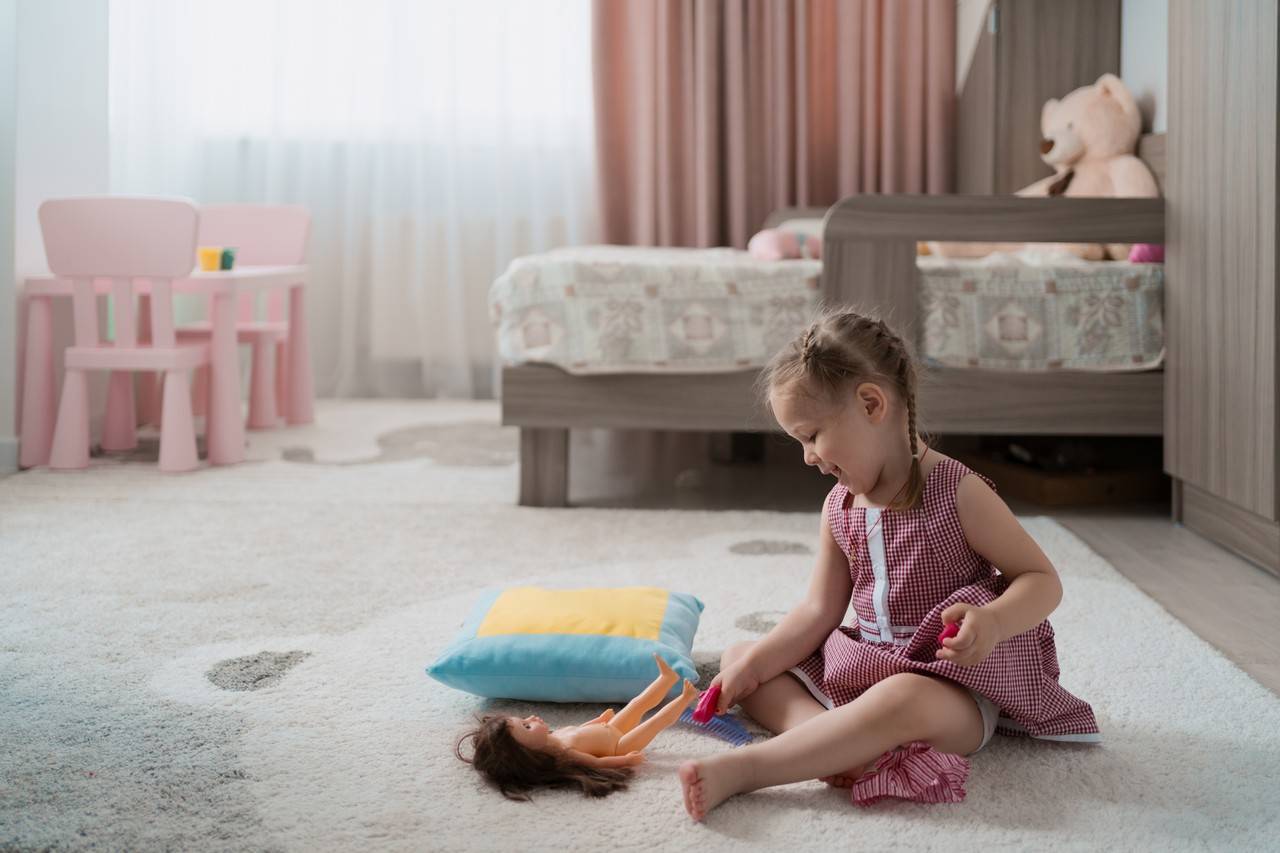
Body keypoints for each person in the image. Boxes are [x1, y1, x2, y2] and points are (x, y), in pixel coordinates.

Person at [678, 310, 1099, 821]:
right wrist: (754, 666)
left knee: (903, 697)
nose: (808, 458)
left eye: (811, 436)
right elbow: (818, 611)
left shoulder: (955, 490)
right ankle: (845, 743)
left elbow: (1042, 580)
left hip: (951, 687)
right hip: (868, 668)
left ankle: (752, 770)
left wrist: (992, 621)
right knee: (743, 656)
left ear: (871, 403)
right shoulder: (840, 506)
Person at [457, 653, 697, 800]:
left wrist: (598, 721)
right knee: (654, 722)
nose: (531, 718)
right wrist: (627, 760)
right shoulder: (565, 754)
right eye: (527, 728)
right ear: (531, 754)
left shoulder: (555, 736)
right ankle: (685, 698)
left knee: (636, 704)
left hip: (610, 728)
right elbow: (598, 762)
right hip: (619, 745)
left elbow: (579, 729)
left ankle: (666, 680)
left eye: (525, 721)